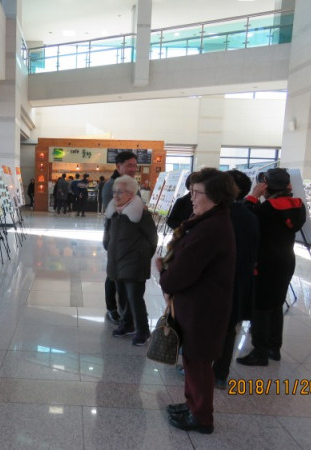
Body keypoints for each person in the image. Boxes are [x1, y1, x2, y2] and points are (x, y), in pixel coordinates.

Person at [157, 168, 237, 434]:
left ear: (214, 195)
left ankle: (202, 417)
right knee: (192, 358)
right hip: (197, 304)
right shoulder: (209, 221)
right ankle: (191, 404)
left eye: (196, 193)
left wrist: (164, 276)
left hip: (204, 307)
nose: (191, 198)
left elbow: (186, 270)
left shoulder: (212, 228)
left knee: (199, 361)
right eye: (191, 191)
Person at [236, 167, 306, 366]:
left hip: (265, 263)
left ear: (265, 186)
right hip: (286, 260)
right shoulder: (299, 206)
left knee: (260, 307)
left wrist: (253, 196)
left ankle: (260, 352)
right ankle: (274, 348)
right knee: (276, 305)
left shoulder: (266, 209)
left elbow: (243, 217)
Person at [212, 169, 259, 389]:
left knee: (205, 326)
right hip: (238, 281)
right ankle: (221, 373)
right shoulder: (250, 217)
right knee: (229, 328)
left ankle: (199, 369)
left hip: (215, 282)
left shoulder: (217, 215)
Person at [103, 175, 157, 346]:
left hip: (135, 262)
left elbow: (153, 239)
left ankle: (143, 331)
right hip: (116, 261)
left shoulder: (141, 214)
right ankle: (127, 324)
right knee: (123, 297)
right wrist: (107, 245)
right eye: (114, 192)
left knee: (135, 298)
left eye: (120, 192)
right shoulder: (113, 212)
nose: (116, 195)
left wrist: (141, 256)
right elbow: (107, 235)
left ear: (131, 194)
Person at [102, 151, 139, 325]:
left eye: (135, 165)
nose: (134, 169)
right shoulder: (112, 186)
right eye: (130, 165)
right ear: (118, 166)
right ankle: (112, 308)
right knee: (113, 273)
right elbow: (114, 214)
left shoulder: (129, 183)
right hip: (116, 237)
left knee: (119, 272)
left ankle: (121, 308)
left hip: (126, 238)